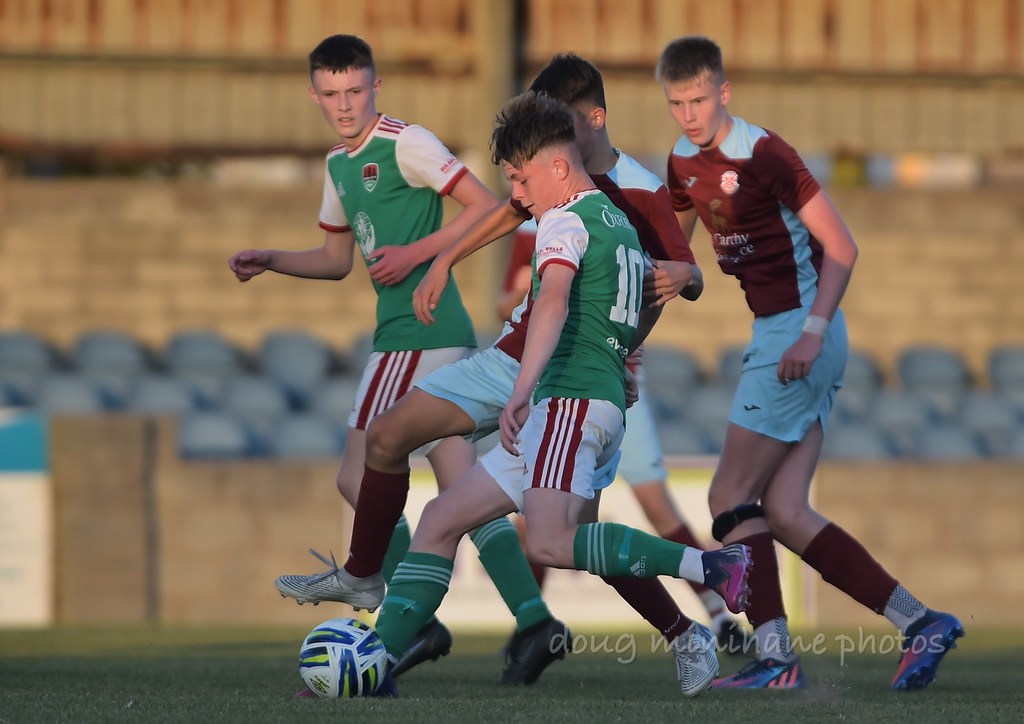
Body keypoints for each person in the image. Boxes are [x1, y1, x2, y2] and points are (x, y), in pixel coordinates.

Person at [272, 51, 737, 692]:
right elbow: (504, 216)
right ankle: (371, 611)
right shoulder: (546, 187)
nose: (519, 190)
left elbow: (672, 275)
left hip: (572, 378)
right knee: (391, 442)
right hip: (518, 362)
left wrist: (669, 298)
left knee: (569, 536)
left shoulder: (635, 193)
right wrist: (442, 260)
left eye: (558, 119)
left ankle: (686, 627)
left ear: (588, 123)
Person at [227, 34, 546, 683]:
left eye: (355, 91)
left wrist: (418, 254)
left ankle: (406, 611)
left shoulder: (406, 142)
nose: (345, 105)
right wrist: (275, 260)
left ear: (376, 88)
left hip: (421, 335)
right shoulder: (339, 165)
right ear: (314, 95)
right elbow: (338, 260)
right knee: (461, 491)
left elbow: (487, 205)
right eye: (332, 94)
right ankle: (535, 620)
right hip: (404, 335)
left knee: (358, 474)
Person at [655, 35, 963, 690]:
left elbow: (842, 245)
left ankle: (776, 661)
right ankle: (921, 621)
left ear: (724, 93)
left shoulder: (765, 152)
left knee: (728, 496)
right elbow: (681, 256)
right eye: (677, 102)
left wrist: (811, 334)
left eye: (699, 99)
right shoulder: (682, 162)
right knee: (787, 511)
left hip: (797, 332)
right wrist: (674, 275)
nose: (689, 113)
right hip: (782, 332)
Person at [501, 221, 751, 656]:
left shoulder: (627, 198)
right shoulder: (537, 219)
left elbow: (677, 273)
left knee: (635, 508)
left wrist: (625, 351)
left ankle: (714, 610)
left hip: (602, 389)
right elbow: (509, 305)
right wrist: (525, 290)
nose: (517, 184)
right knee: (556, 525)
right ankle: (536, 623)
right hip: (562, 386)